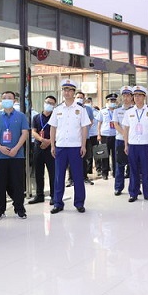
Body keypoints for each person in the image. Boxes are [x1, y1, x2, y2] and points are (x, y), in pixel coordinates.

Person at [49, 80, 91, 214]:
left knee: (78, 176)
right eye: (64, 90)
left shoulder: (80, 109)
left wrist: (83, 145)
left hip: (75, 147)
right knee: (59, 176)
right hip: (61, 147)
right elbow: (53, 128)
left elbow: (84, 128)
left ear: (73, 92)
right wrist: (52, 145)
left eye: (69, 90)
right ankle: (57, 203)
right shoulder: (57, 109)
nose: (66, 92)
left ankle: (79, 203)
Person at [0, 91, 30, 220]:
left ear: (14, 100)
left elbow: (25, 133)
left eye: (9, 98)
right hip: (0, 156)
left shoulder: (21, 116)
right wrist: (0, 147)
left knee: (18, 183)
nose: (7, 100)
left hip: (17, 155)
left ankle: (19, 209)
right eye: (4, 98)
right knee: (0, 184)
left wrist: (16, 148)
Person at [122, 85, 148, 202]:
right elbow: (126, 129)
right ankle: (133, 193)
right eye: (135, 95)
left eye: (139, 95)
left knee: (146, 170)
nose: (137, 98)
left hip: (145, 145)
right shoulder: (129, 112)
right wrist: (126, 145)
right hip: (132, 145)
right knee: (133, 170)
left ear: (144, 97)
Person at [29, 95, 56, 205]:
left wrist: (49, 141)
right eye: (47, 102)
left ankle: (54, 195)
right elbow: (33, 131)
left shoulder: (56, 117)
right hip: (38, 147)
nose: (49, 105)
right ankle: (39, 195)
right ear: (44, 103)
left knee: (52, 172)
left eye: (51, 103)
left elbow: (59, 131)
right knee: (38, 172)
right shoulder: (36, 117)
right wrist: (42, 140)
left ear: (54, 106)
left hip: (51, 148)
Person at [112, 86, 134, 195]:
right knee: (119, 165)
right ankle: (118, 187)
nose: (126, 98)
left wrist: (130, 137)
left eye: (128, 96)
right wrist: (126, 135)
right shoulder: (117, 111)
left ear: (132, 97)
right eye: (124, 96)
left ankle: (135, 187)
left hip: (133, 141)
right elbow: (116, 125)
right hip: (120, 140)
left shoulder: (136, 110)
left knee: (134, 165)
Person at [96, 93, 118, 180]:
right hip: (105, 135)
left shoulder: (118, 111)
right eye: (111, 101)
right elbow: (99, 123)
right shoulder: (103, 111)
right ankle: (104, 173)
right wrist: (98, 134)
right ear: (107, 101)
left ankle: (115, 172)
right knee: (105, 155)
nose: (112, 102)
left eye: (114, 100)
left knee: (115, 155)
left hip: (115, 135)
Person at [75, 90, 95, 185]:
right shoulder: (72, 108)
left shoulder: (88, 109)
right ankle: (71, 178)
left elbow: (91, 121)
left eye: (81, 97)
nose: (79, 99)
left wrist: (85, 129)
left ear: (84, 99)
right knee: (73, 159)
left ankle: (84, 177)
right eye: (78, 97)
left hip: (85, 137)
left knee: (84, 158)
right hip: (74, 138)